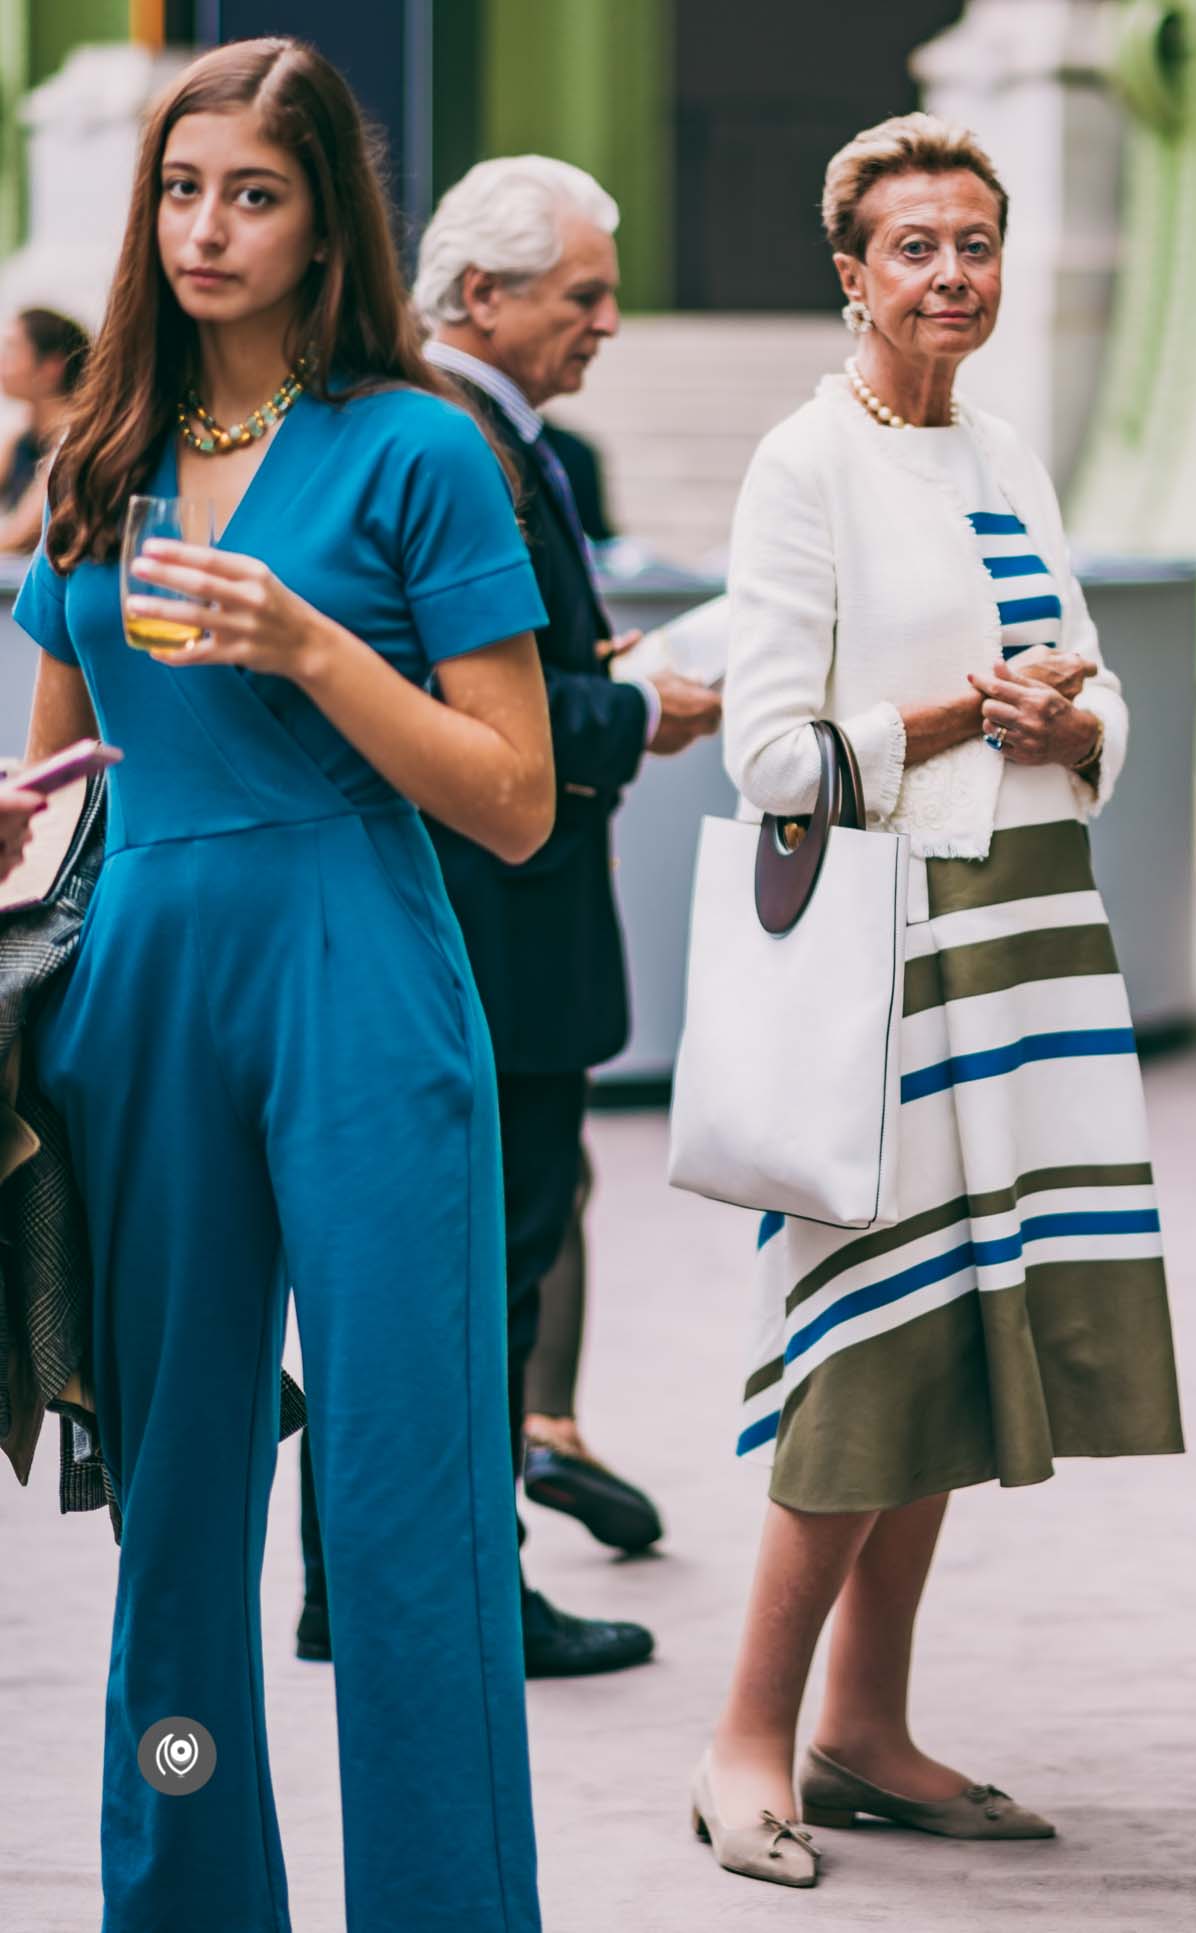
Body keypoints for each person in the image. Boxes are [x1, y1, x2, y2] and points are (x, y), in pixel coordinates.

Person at [16, 39, 551, 1930]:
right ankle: (184, 1892)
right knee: (175, 1527)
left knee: (408, 1519)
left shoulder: (416, 447)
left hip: (360, 984)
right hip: (138, 997)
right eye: (180, 190)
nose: (206, 228)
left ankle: (443, 1904)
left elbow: (512, 799)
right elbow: (63, 777)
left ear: (329, 221)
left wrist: (315, 645)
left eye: (252, 192)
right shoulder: (99, 451)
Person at [692, 113, 1184, 1891]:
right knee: (862, 1352)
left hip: (1032, 937)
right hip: (890, 959)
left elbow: (1085, 679)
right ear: (852, 270)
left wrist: (1077, 724)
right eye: (916, 245)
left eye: (976, 240)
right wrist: (953, 721)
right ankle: (747, 1735)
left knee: (965, 1347)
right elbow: (764, 754)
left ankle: (865, 1725)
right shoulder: (800, 464)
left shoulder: (1006, 450)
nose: (954, 272)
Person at [292, 155, 712, 1678]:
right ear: (482, 295)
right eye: (583, 293)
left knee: (429, 1281)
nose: (608, 321)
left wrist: (596, 680)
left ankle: (364, 1585)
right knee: (474, 1286)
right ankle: (470, 1596)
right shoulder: (452, 436)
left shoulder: (455, 427)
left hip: (472, 923)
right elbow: (469, 719)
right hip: (493, 925)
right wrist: (638, 707)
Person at [0, 307, 89, 551]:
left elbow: (19, 536)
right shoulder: (21, 438)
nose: (2, 361)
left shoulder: (76, 439)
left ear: (51, 367)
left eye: (12, 349)